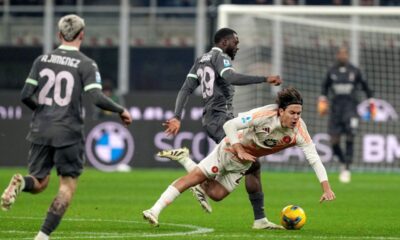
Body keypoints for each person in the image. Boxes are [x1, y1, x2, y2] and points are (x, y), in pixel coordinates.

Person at [0, 14, 132, 240]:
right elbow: (96, 97)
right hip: (68, 131)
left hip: (40, 129)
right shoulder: (86, 63)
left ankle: (21, 183)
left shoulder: (41, 60)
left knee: (39, 182)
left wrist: (42, 111)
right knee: (67, 186)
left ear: (59, 35)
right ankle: (42, 236)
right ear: (82, 35)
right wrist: (120, 109)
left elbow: (25, 95)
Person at [144, 87, 336, 227]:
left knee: (217, 195)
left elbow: (314, 158)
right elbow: (230, 126)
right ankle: (154, 210)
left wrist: (326, 188)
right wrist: (238, 148)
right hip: (229, 149)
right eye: (292, 113)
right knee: (192, 178)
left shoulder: (299, 131)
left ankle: (186, 160)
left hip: (244, 162)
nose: (296, 117)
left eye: (299, 113)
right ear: (281, 111)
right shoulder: (263, 115)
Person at [162, 27, 282, 230]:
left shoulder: (201, 60)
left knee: (253, 165)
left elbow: (185, 89)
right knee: (248, 166)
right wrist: (264, 78)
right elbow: (231, 78)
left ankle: (258, 218)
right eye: (235, 42)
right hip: (222, 121)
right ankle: (200, 181)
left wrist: (176, 116)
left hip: (214, 121)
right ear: (224, 42)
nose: (238, 46)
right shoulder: (220, 57)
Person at [318, 47, 374, 183]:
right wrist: (322, 101)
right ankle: (343, 162)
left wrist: (371, 103)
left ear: (348, 55)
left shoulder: (355, 71)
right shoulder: (331, 71)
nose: (343, 56)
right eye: (340, 54)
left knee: (350, 138)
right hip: (336, 111)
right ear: (337, 55)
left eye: (345, 54)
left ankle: (347, 169)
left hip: (351, 111)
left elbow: (367, 88)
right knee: (334, 142)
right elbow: (324, 89)